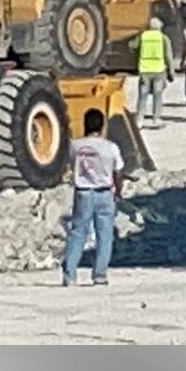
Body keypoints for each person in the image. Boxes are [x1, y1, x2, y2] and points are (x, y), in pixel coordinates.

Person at [61, 108, 124, 287]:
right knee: (105, 235)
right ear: (103, 126)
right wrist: (118, 192)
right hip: (104, 192)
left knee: (78, 232)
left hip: (83, 192)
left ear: (84, 124)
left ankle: (70, 274)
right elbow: (118, 172)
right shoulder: (110, 147)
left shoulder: (75, 146)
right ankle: (100, 274)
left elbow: (71, 163)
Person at [129, 17, 174, 129]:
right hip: (159, 70)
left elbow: (132, 45)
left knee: (142, 95)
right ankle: (156, 118)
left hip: (144, 70)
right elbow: (168, 56)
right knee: (157, 95)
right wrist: (171, 71)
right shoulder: (163, 38)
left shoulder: (143, 36)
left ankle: (139, 119)